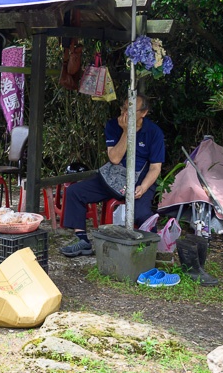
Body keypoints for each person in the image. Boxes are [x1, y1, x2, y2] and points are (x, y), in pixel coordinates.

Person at [60, 94, 165, 257]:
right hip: (114, 175)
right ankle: (82, 240)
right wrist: (126, 131)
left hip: (142, 179)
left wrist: (143, 187)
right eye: (124, 108)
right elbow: (114, 158)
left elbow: (155, 168)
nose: (125, 112)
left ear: (143, 113)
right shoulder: (113, 125)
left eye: (131, 110)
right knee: (75, 192)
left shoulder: (153, 132)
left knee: (142, 214)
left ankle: (150, 251)